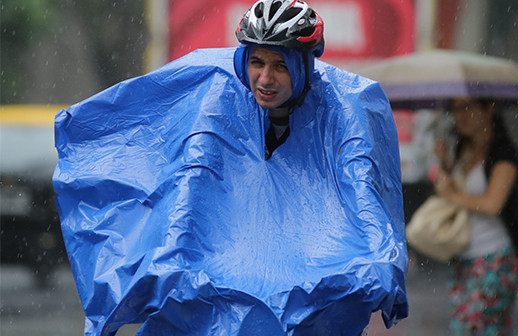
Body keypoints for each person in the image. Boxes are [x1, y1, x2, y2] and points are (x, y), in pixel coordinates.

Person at [52, 1, 408, 335]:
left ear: (304, 67)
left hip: (316, 269)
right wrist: (168, 264)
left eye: (280, 66)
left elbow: (362, 189)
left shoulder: (345, 106)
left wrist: (380, 258)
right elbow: (193, 186)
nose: (265, 79)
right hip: (224, 269)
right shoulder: (218, 91)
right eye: (257, 63)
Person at [433, 97, 518, 335]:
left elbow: (492, 204)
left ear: (490, 109)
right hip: (463, 259)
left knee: (475, 328)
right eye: (456, 109)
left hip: (495, 260)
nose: (461, 115)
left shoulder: (504, 154)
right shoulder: (461, 148)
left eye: (468, 107)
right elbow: (448, 191)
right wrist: (443, 162)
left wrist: (453, 195)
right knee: (470, 329)